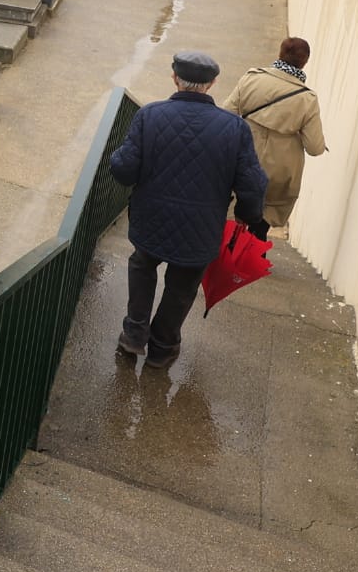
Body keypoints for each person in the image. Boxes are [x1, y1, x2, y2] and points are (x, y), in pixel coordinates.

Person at [109, 50, 269, 367]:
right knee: (182, 287)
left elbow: (124, 169)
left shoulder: (150, 115)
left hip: (150, 218)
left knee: (142, 266)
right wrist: (249, 217)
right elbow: (253, 184)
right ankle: (162, 348)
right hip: (201, 228)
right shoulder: (235, 129)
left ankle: (133, 336)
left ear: (174, 78)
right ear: (211, 84)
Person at [223, 38, 326, 229]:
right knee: (260, 228)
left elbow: (226, 114)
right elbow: (314, 148)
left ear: (280, 54)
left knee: (228, 221)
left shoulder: (252, 78)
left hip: (242, 160)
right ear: (304, 62)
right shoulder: (307, 99)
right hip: (279, 175)